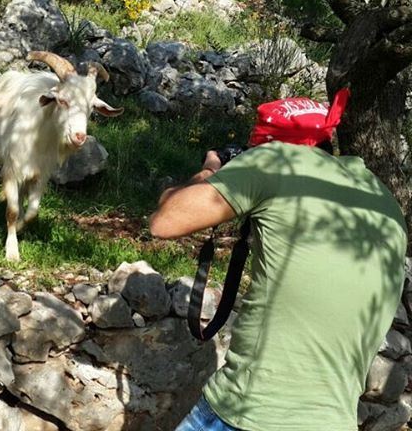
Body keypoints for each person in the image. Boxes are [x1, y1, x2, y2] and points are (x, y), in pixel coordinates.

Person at [149, 90, 407, 431]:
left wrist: (211, 170)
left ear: (268, 143)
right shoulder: (379, 196)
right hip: (335, 420)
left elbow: (165, 222)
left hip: (250, 410)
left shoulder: (275, 161)